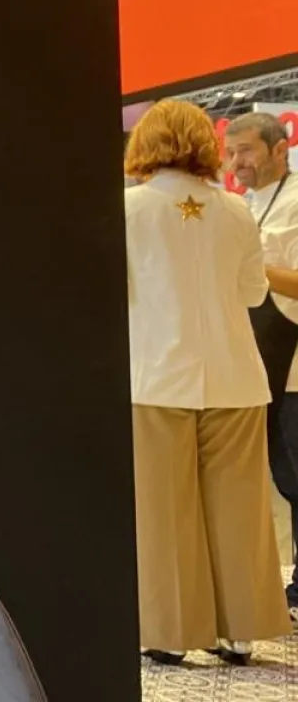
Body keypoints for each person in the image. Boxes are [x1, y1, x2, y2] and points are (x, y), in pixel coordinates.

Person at [122, 100, 288, 665]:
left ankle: (170, 632)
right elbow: (253, 293)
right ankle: (239, 632)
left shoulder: (128, 209)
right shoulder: (237, 211)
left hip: (155, 376)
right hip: (235, 375)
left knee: (164, 508)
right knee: (238, 506)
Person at [227, 111, 298, 623]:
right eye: (231, 153)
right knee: (284, 472)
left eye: (246, 150)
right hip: (259, 364)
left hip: (293, 364)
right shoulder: (243, 207)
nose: (237, 163)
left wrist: (253, 268)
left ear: (280, 149)